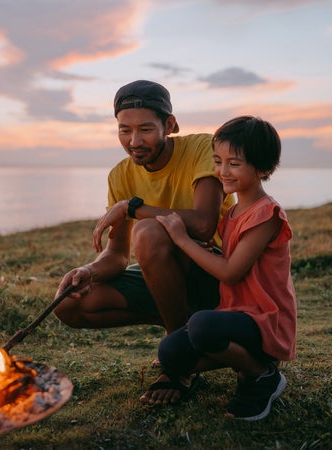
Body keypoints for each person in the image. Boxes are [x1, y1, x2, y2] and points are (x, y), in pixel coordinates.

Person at [139, 116, 297, 422]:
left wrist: (182, 239)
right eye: (217, 161)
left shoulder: (266, 214)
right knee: (170, 354)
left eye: (234, 164)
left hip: (264, 321)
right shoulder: (234, 212)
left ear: (263, 169)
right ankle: (242, 360)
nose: (222, 171)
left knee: (202, 326)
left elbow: (230, 272)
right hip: (235, 314)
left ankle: (261, 374)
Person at [54, 80, 234, 338]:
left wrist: (132, 208)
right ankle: (179, 321)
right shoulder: (120, 175)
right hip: (165, 279)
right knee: (70, 302)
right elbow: (117, 256)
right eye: (124, 130)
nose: (134, 141)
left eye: (146, 129)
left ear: (169, 125)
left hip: (216, 271)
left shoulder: (202, 148)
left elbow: (204, 225)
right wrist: (88, 271)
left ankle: (179, 350)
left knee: (149, 231)